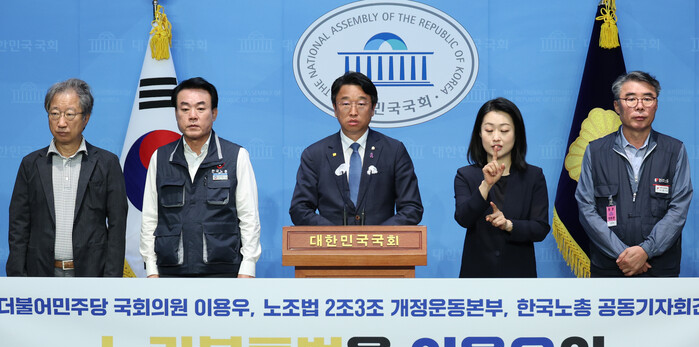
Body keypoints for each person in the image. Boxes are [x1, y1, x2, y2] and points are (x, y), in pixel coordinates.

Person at [140, 77, 261, 278]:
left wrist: (247, 268)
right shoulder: (160, 158)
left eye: (200, 108)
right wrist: (151, 269)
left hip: (223, 272)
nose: (192, 116)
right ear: (176, 113)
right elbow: (150, 218)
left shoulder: (236, 156)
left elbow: (249, 218)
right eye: (185, 109)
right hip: (170, 272)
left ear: (214, 113)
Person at [576, 71, 692, 277]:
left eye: (647, 98)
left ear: (656, 105)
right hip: (611, 266)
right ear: (617, 106)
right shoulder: (595, 151)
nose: (639, 106)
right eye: (630, 99)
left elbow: (678, 209)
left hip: (659, 268)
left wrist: (646, 251)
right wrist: (624, 255)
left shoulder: (674, 150)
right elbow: (586, 208)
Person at [7, 78, 128, 277]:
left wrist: (111, 278)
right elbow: (18, 225)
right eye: (54, 113)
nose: (61, 122)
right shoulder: (31, 164)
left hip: (92, 273)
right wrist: (17, 277)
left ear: (86, 118)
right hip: (41, 273)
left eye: (70, 114)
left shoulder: (107, 163)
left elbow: (117, 225)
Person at [289, 71, 423, 225]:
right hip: (331, 240)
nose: (353, 112)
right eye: (345, 104)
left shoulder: (393, 151)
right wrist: (335, 235)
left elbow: (412, 208)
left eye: (361, 104)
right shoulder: (315, 154)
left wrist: (377, 235)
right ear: (335, 108)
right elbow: (300, 209)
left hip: (380, 240)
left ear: (373, 108)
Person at [454, 98, 550, 278]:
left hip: (519, 277)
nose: (496, 137)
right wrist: (486, 185)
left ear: (517, 133)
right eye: (489, 130)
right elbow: (463, 218)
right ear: (479, 133)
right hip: (476, 278)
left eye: (504, 130)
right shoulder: (465, 175)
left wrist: (508, 225)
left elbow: (540, 228)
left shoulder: (534, 176)